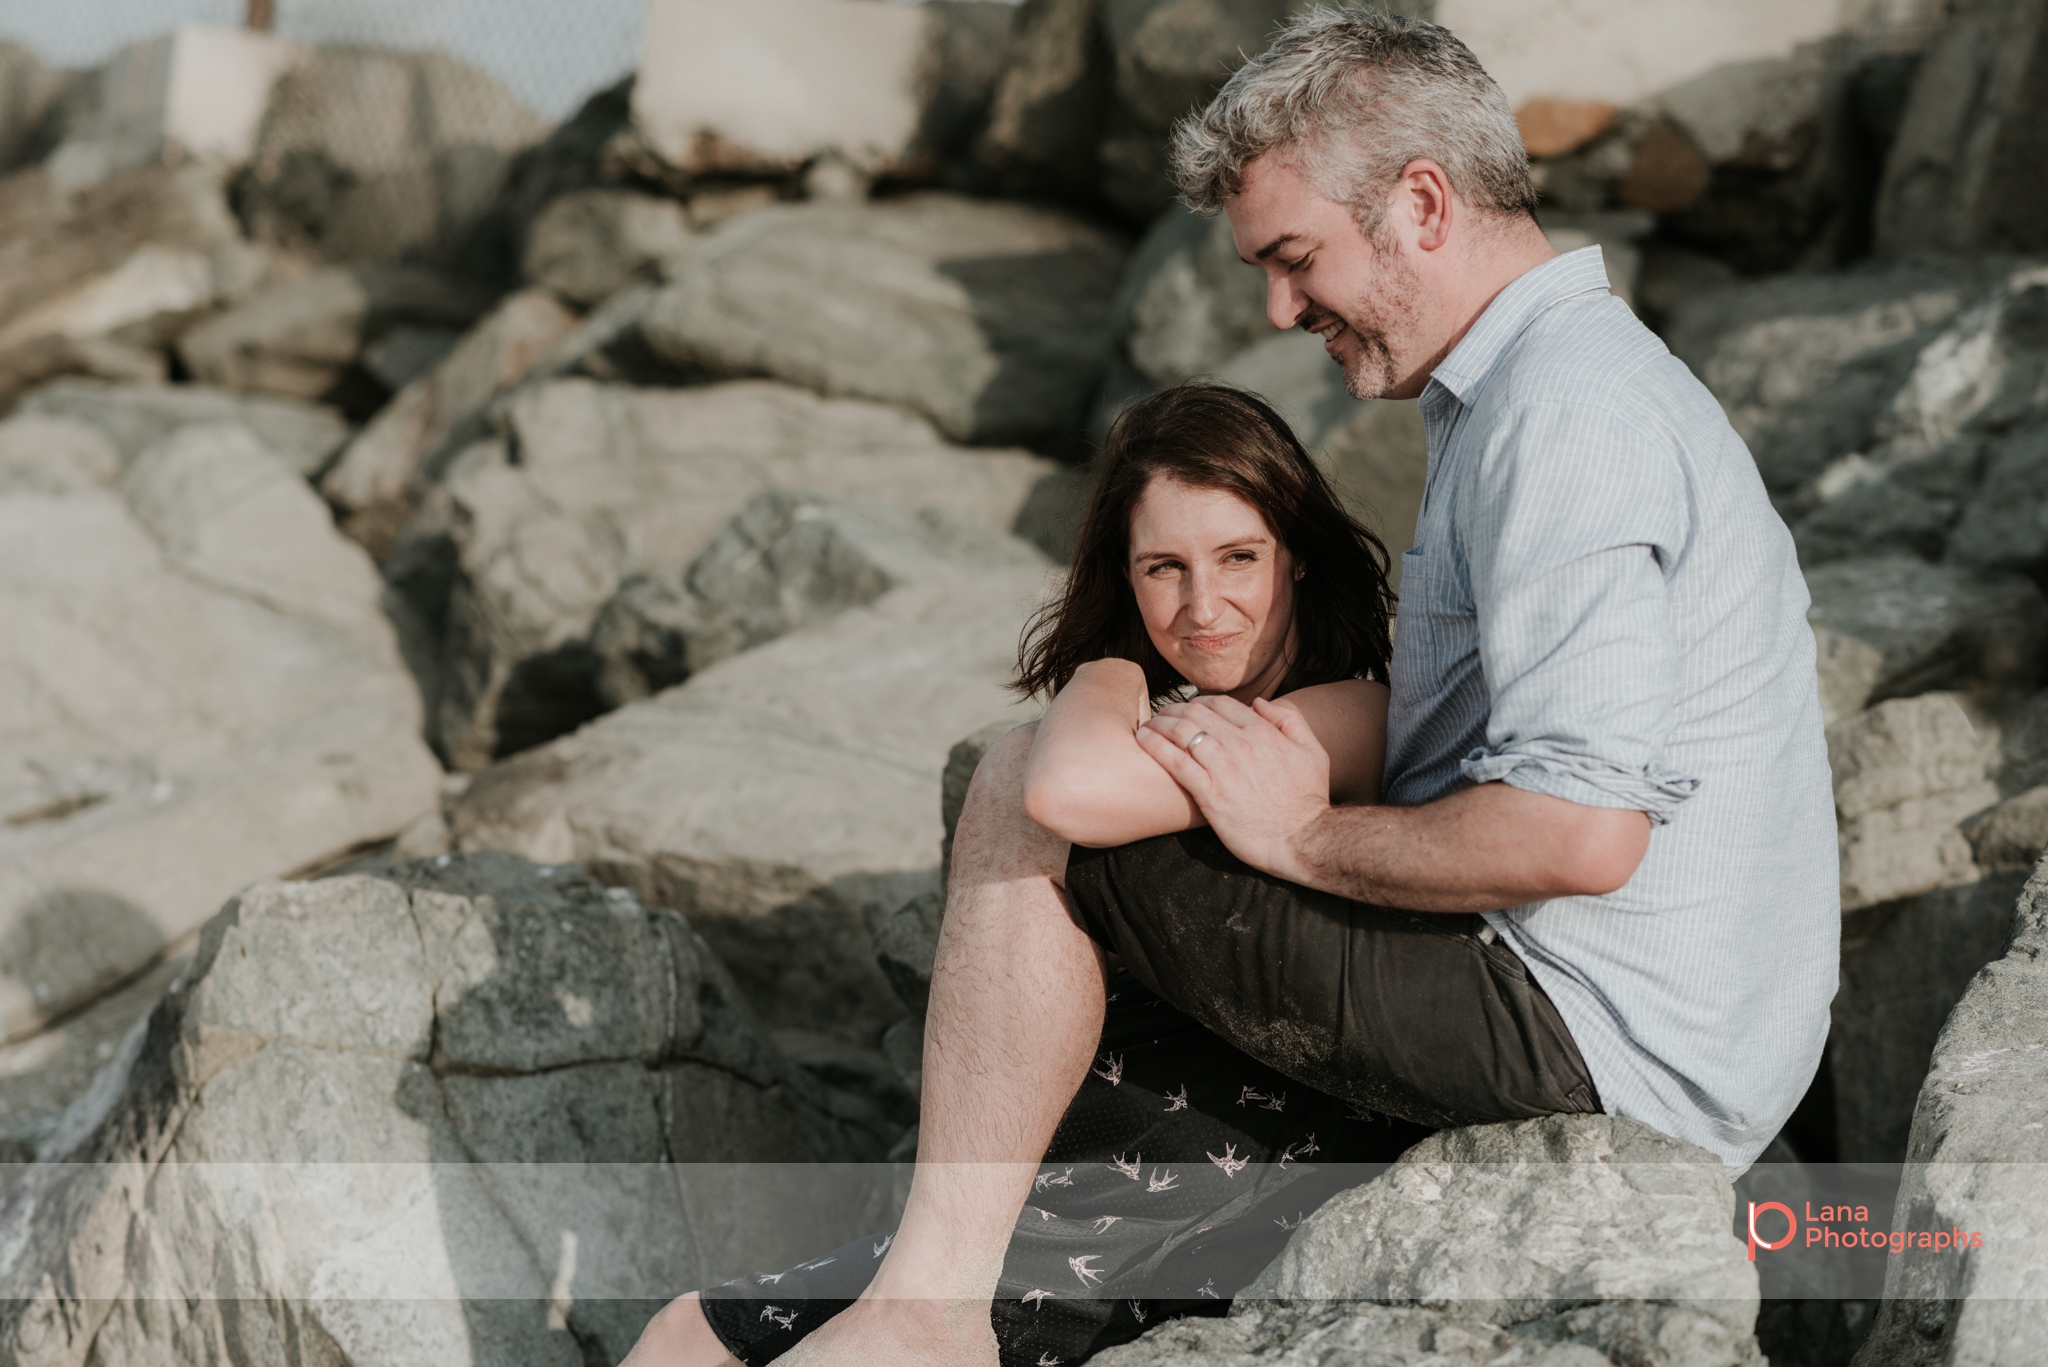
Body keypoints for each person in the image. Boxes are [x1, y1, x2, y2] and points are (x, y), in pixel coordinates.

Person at [636, 8, 1839, 1366]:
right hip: (1625, 1017)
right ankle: (1001, 1272)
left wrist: (1306, 837)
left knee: (1026, 804)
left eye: (1296, 257)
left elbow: (1580, 833)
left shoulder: (1570, 419)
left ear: (1424, 205)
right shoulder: (1537, 399)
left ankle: (931, 1306)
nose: (1279, 307)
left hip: (1597, 1037)